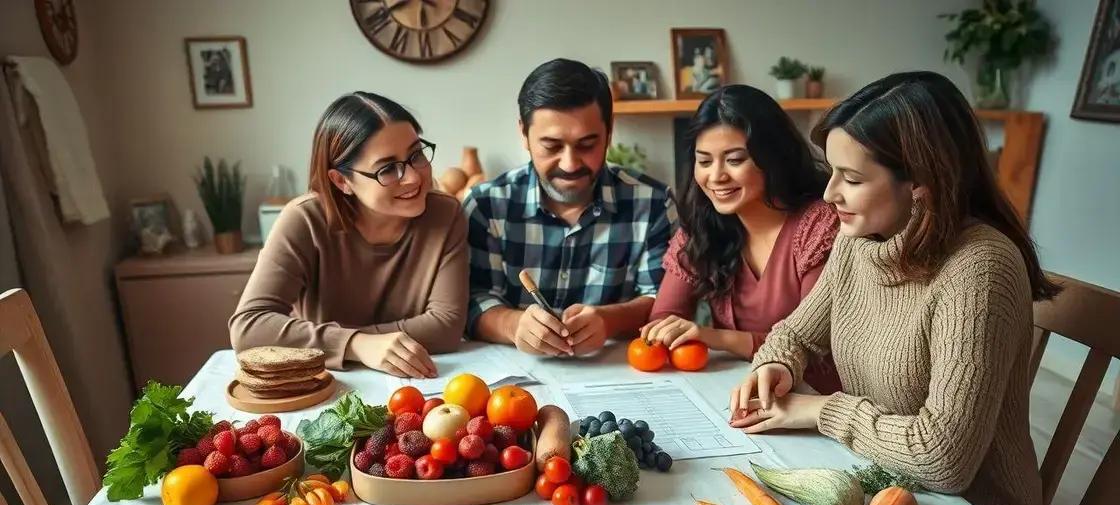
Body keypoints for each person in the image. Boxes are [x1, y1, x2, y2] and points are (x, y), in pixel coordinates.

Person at [728, 71, 1060, 505]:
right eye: (832, 171)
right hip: (890, 488)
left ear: (921, 182)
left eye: (852, 179)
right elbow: (796, 334)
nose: (830, 193)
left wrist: (821, 410)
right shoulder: (860, 237)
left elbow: (944, 459)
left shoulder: (981, 267)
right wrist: (776, 364)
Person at [230, 92, 467, 377]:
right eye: (387, 169)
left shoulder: (445, 214)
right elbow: (248, 328)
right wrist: (357, 345)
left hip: (418, 382)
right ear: (342, 180)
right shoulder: (304, 220)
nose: (414, 177)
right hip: (325, 383)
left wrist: (338, 341)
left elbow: (446, 327)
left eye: (416, 155)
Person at [464, 58, 676, 357]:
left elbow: (665, 303)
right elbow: (471, 299)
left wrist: (609, 320)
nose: (570, 164)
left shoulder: (654, 204)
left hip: (623, 370)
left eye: (587, 145)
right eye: (551, 146)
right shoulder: (486, 206)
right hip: (510, 377)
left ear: (609, 132)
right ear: (523, 134)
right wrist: (513, 325)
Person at [641, 85, 841, 394]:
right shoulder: (701, 227)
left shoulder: (820, 225)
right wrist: (672, 330)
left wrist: (717, 338)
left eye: (734, 160)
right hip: (739, 395)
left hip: (816, 401)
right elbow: (665, 318)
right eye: (704, 162)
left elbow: (817, 348)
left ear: (772, 157)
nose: (716, 176)